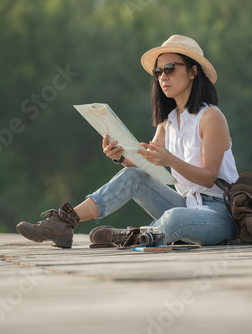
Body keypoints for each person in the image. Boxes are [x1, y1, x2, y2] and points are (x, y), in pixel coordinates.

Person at [16, 34, 239, 249]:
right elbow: (149, 167)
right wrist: (121, 157)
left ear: (192, 72)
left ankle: (129, 235)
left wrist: (171, 161)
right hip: (186, 204)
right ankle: (65, 222)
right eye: (158, 71)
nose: (163, 76)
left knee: (174, 219)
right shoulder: (168, 122)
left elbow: (209, 177)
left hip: (219, 214)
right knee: (134, 176)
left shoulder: (211, 117)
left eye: (170, 69)